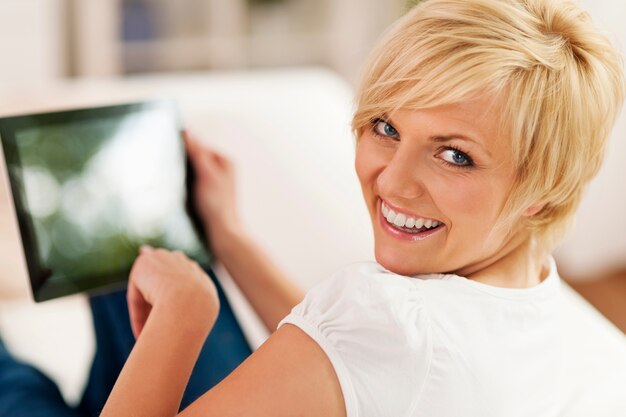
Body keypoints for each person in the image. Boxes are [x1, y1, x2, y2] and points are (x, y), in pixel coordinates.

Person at [47, 0, 626, 415]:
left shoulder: (384, 317)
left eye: (454, 155)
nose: (392, 182)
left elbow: (375, 339)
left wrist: (181, 314)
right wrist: (229, 238)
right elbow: (358, 363)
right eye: (385, 126)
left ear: (544, 189)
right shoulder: (596, 347)